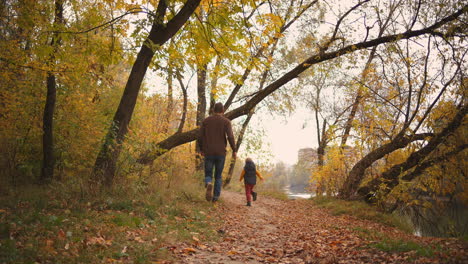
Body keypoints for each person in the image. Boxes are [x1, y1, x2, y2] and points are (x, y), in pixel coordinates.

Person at [198, 102, 236, 202]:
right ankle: (215, 198)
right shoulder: (226, 122)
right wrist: (234, 149)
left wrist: (201, 149)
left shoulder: (206, 121)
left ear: (213, 110)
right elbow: (230, 136)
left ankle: (208, 182)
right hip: (220, 153)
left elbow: (200, 136)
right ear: (223, 110)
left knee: (208, 173)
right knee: (218, 176)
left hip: (209, 151)